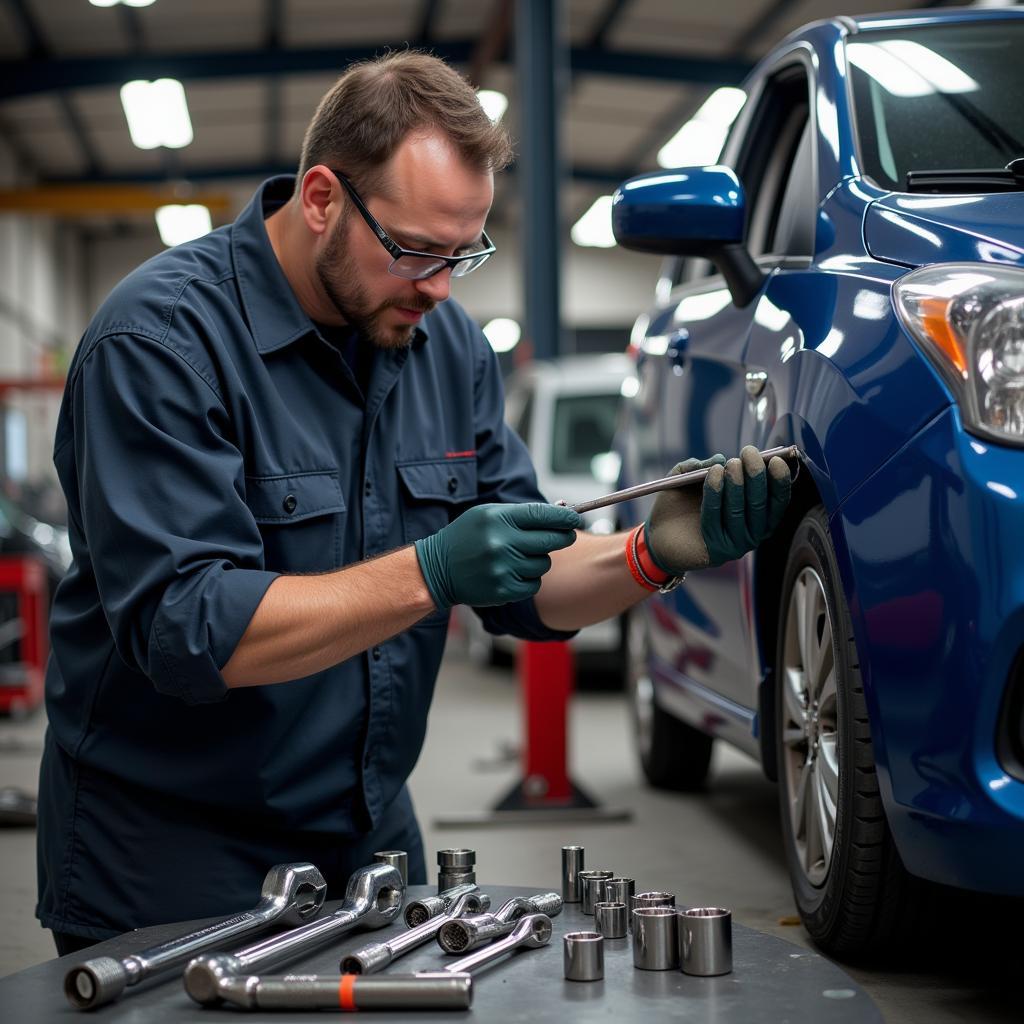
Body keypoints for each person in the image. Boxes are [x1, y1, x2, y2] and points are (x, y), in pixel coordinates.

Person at [36, 50, 791, 954]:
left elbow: (523, 577)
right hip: (169, 863)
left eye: (462, 254)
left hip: (371, 847)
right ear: (321, 198)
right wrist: (432, 571)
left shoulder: (445, 346)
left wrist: (649, 552)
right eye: (413, 251)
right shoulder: (158, 342)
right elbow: (191, 626)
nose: (437, 285)